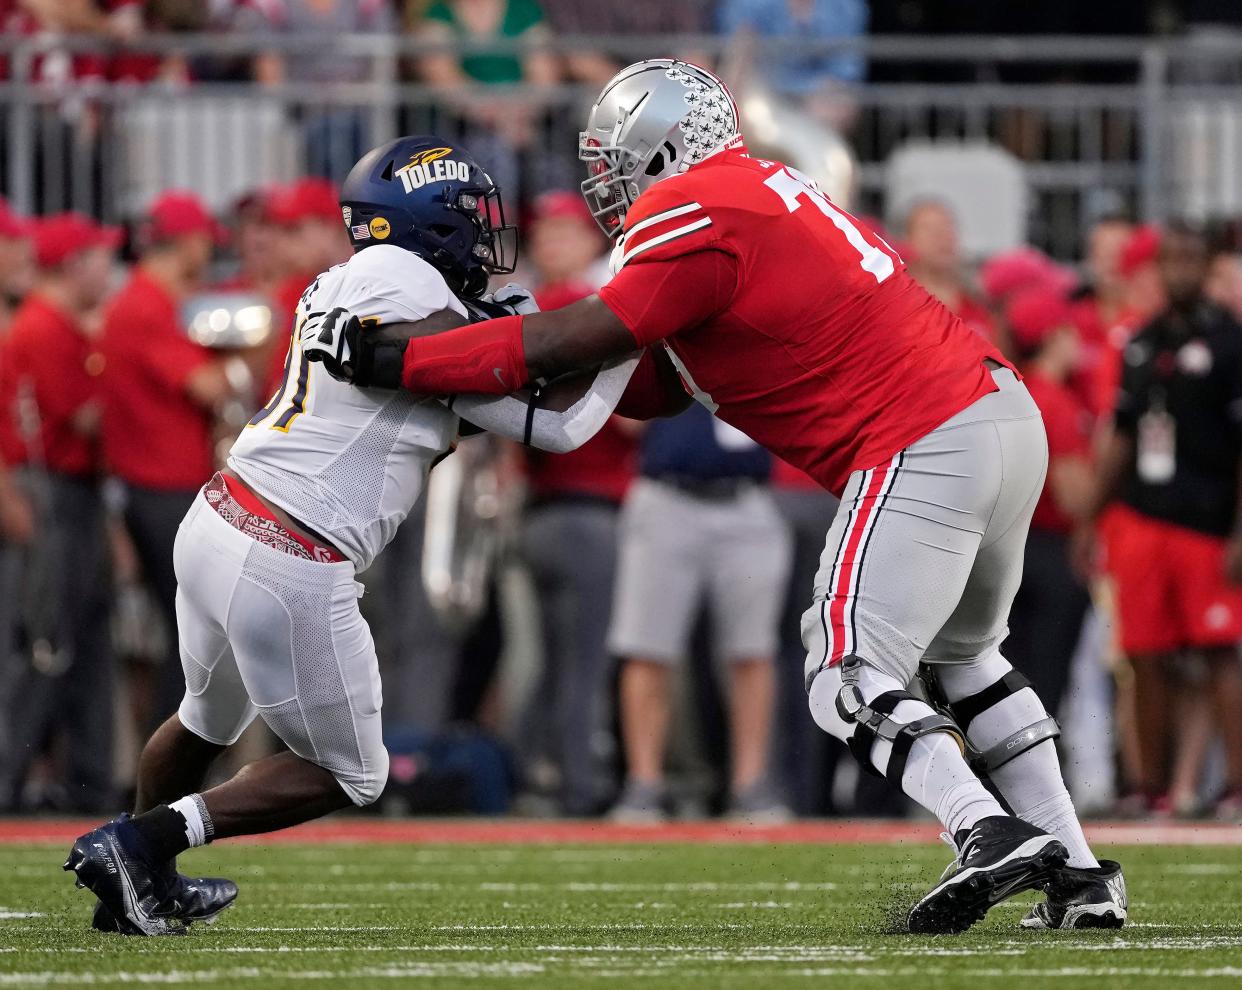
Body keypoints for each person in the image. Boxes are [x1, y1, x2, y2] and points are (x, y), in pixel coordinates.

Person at [307, 60, 1125, 934]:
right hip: (997, 415)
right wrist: (489, 370)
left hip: (921, 432)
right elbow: (644, 383)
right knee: (968, 662)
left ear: (663, 150)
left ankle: (982, 828)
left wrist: (409, 357)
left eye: (616, 160)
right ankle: (1080, 877)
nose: (606, 183)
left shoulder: (693, 204)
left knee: (844, 668)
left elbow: (585, 335)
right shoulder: (756, 194)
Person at [65, 135, 646, 935]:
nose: (484, 234)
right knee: (354, 773)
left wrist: (586, 338)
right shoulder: (405, 280)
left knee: (204, 718)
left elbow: (540, 405)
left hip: (222, 514)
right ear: (429, 222)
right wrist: (643, 310)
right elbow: (558, 417)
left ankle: (143, 883)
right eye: (470, 217)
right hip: (289, 547)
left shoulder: (358, 281)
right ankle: (142, 843)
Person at [1077, 221, 1242, 821]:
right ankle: (1150, 786)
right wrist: (1090, 517)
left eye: (1189, 259)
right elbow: (1122, 434)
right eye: (1170, 259)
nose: (1179, 270)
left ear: (1205, 265)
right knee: (1144, 654)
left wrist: (1238, 531)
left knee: (1218, 650)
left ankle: (1235, 788)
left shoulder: (1229, 342)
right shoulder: (1142, 341)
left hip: (1206, 520)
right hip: (1143, 516)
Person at [99, 191, 249, 729]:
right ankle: (168, 770)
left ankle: (172, 771)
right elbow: (210, 387)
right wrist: (244, 367)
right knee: (198, 637)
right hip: (160, 489)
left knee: (199, 635)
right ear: (184, 242)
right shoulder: (146, 305)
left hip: (164, 486)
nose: (210, 252)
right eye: (205, 240)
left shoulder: (151, 301)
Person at [607, 405, 792, 822]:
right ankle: (644, 783)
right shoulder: (664, 340)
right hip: (667, 495)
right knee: (647, 648)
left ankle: (751, 785)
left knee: (753, 651)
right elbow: (628, 420)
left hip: (747, 497)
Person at [518, 191, 636, 816]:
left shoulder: (525, 312)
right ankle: (577, 789)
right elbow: (632, 425)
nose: (554, 243)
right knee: (584, 662)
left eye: (566, 232)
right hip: (587, 508)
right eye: (549, 233)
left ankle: (533, 771)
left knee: (557, 660)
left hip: (545, 511)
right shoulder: (583, 310)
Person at [0, 213, 118, 813]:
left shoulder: (59, 324)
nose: (108, 269)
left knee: (80, 641)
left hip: (72, 492)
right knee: (44, 644)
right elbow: (85, 418)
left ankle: (91, 785)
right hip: (48, 490)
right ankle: (9, 779)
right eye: (99, 257)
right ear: (74, 264)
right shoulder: (45, 326)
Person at [1001, 290, 1093, 720]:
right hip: (1052, 549)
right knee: (1047, 683)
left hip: (1006, 549)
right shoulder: (1056, 400)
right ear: (1054, 335)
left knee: (1007, 679)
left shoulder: (1009, 391)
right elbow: (1073, 495)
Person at [903, 200, 997, 345]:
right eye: (929, 229)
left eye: (947, 227)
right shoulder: (900, 302)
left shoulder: (979, 304)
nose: (941, 237)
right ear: (909, 239)